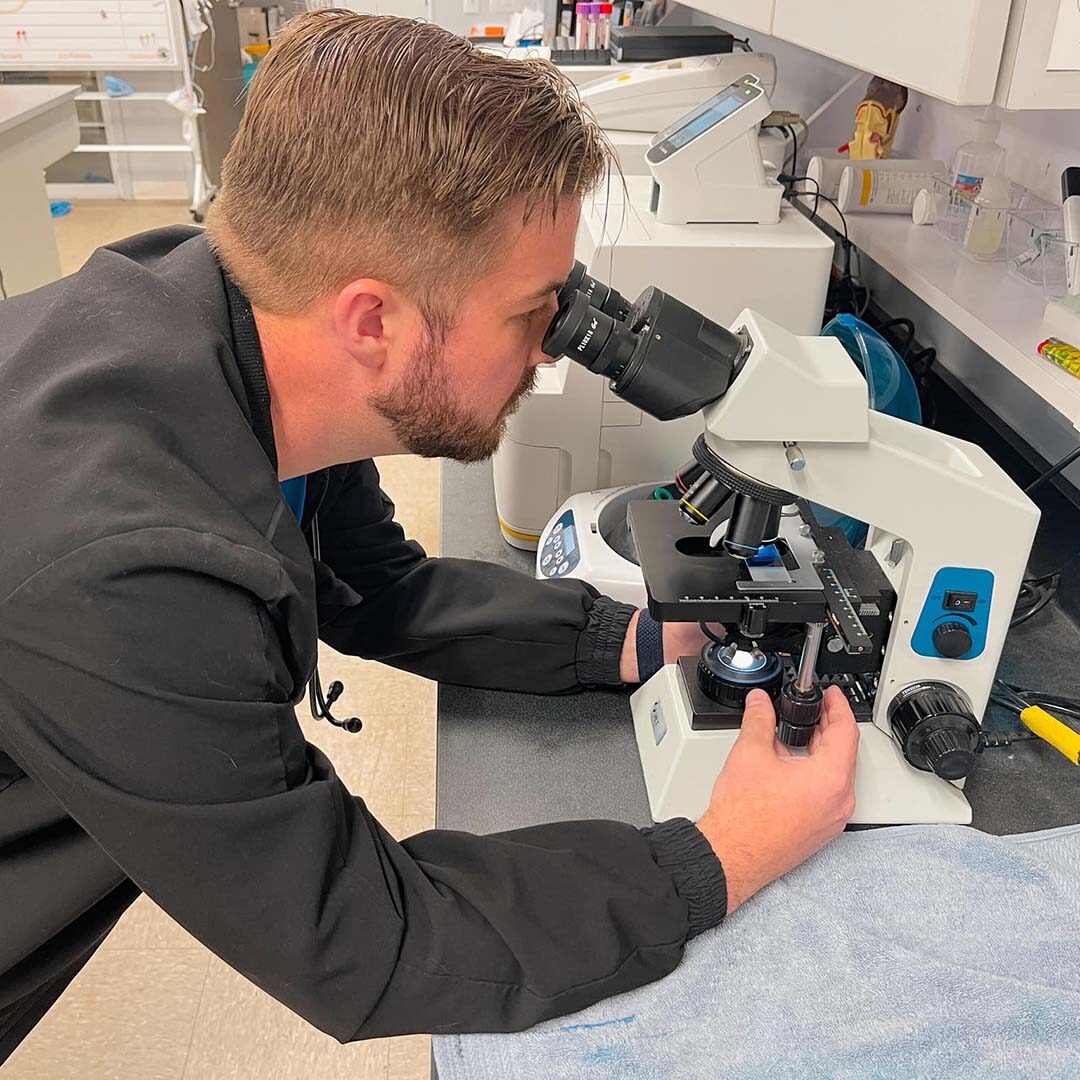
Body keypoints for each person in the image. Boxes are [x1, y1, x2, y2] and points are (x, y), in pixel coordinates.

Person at [0, 11, 858, 1061]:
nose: (554, 352)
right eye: (534, 311)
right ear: (375, 322)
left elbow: (375, 588)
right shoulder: (127, 570)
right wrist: (725, 851)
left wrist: (630, 640)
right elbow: (362, 940)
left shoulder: (229, 323)